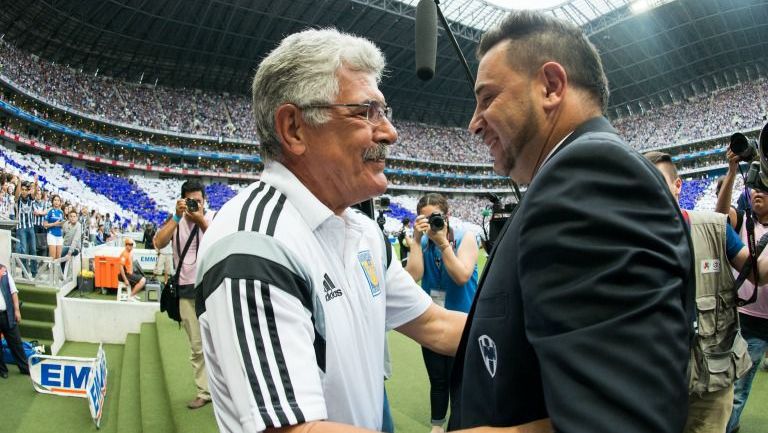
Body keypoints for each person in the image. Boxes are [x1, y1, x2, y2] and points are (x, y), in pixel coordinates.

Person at [196, 28, 469, 433]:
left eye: (384, 111)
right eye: (365, 112)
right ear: (294, 129)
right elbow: (292, 430)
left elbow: (436, 325)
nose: (390, 132)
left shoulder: (362, 232)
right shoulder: (254, 247)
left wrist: (556, 341)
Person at [449, 10, 694, 433]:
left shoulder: (588, 174)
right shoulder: (565, 179)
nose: (474, 123)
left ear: (550, 86)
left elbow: (618, 422)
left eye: (487, 98)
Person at [645, 151, 757, 433]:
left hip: (710, 385)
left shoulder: (714, 227)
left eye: (658, 181)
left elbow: (758, 272)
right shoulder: (626, 243)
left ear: (678, 185)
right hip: (654, 388)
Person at [404, 193, 478, 433]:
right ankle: (437, 426)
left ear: (447, 217)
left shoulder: (466, 238)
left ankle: (459, 425)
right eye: (424, 220)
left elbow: (461, 276)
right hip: (432, 321)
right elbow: (412, 276)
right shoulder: (423, 242)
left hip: (462, 324)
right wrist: (416, 240)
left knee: (461, 381)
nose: (430, 224)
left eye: (435, 218)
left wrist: (444, 245)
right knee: (437, 379)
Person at [716, 147, 768, 433]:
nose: (757, 193)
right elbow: (719, 217)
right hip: (747, 318)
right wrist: (732, 172)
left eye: (764, 188)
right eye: (754, 188)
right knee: (737, 388)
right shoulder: (745, 220)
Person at [153, 180, 213, 410]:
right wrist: (177, 217)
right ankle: (204, 391)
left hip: (212, 287)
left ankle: (227, 390)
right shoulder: (175, 220)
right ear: (181, 201)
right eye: (191, 201)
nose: (195, 205)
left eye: (198, 201)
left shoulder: (213, 218)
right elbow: (158, 242)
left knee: (221, 342)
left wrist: (200, 219)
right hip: (187, 290)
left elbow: (219, 240)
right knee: (197, 346)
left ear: (205, 201)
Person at [0, 263, 29, 378]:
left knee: (16, 343)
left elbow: (13, 292)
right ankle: (2, 370)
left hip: (8, 314)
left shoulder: (5, 273)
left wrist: (17, 310)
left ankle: (24, 368)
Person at [14, 177, 38, 275]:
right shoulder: (18, 199)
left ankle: (34, 272)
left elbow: (34, 194)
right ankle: (25, 272)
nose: (23, 192)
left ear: (28, 191)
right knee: (23, 250)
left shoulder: (30, 199)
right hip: (21, 227)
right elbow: (16, 196)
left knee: (33, 249)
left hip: (30, 227)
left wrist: (35, 184)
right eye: (22, 190)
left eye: (25, 190)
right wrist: (19, 183)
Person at [43, 194, 65, 260]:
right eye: (55, 200)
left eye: (58, 200)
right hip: (51, 234)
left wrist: (62, 224)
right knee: (52, 257)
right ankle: (51, 269)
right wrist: (54, 224)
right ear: (52, 201)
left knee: (58, 257)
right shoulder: (49, 211)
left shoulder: (61, 212)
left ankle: (57, 270)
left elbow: (61, 224)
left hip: (59, 235)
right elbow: (45, 224)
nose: (56, 202)